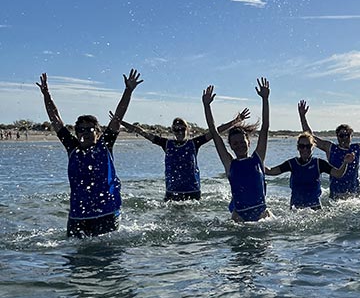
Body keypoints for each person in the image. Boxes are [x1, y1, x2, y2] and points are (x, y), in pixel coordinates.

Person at [36, 70, 143, 237]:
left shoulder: (104, 144)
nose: (84, 133)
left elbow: (117, 117)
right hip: (78, 216)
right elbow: (55, 119)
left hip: (106, 213)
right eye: (80, 130)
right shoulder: (73, 148)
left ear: (98, 132)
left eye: (89, 129)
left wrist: (128, 90)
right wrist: (46, 94)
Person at [119, 110, 250, 201]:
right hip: (172, 194)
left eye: (182, 129)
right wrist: (121, 122)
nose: (179, 132)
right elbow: (142, 132)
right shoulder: (166, 144)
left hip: (192, 193)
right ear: (173, 131)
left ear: (187, 129)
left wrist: (236, 121)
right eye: (176, 129)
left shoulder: (194, 143)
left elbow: (215, 132)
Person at [202, 79, 271, 222]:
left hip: (262, 217)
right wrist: (206, 106)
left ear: (248, 142)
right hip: (239, 218)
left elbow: (264, 128)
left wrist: (265, 99)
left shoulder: (258, 158)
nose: (239, 145)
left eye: (242, 142)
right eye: (235, 143)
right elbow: (215, 133)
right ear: (231, 146)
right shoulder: (229, 164)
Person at [298, 100, 360, 199]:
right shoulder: (330, 148)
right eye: (341, 135)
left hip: (354, 196)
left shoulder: (356, 148)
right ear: (337, 136)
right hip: (336, 196)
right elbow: (310, 137)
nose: (344, 138)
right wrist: (302, 117)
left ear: (351, 136)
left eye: (347, 135)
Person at [265, 132, 356, 209]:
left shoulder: (319, 163)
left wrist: (345, 163)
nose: (305, 149)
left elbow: (338, 174)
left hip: (314, 209)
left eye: (308, 146)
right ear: (298, 148)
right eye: (302, 146)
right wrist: (257, 164)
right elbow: (270, 171)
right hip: (295, 209)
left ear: (313, 147)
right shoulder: (292, 163)